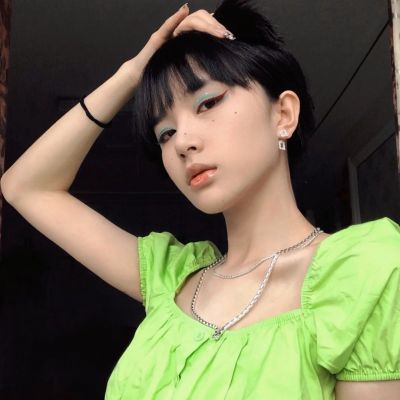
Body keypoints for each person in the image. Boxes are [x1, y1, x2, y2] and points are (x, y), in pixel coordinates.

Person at [1, 0, 400, 398]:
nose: (183, 143)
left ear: (283, 115)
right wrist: (135, 72)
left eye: (207, 103)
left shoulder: (364, 272)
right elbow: (25, 187)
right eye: (165, 132)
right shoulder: (170, 279)